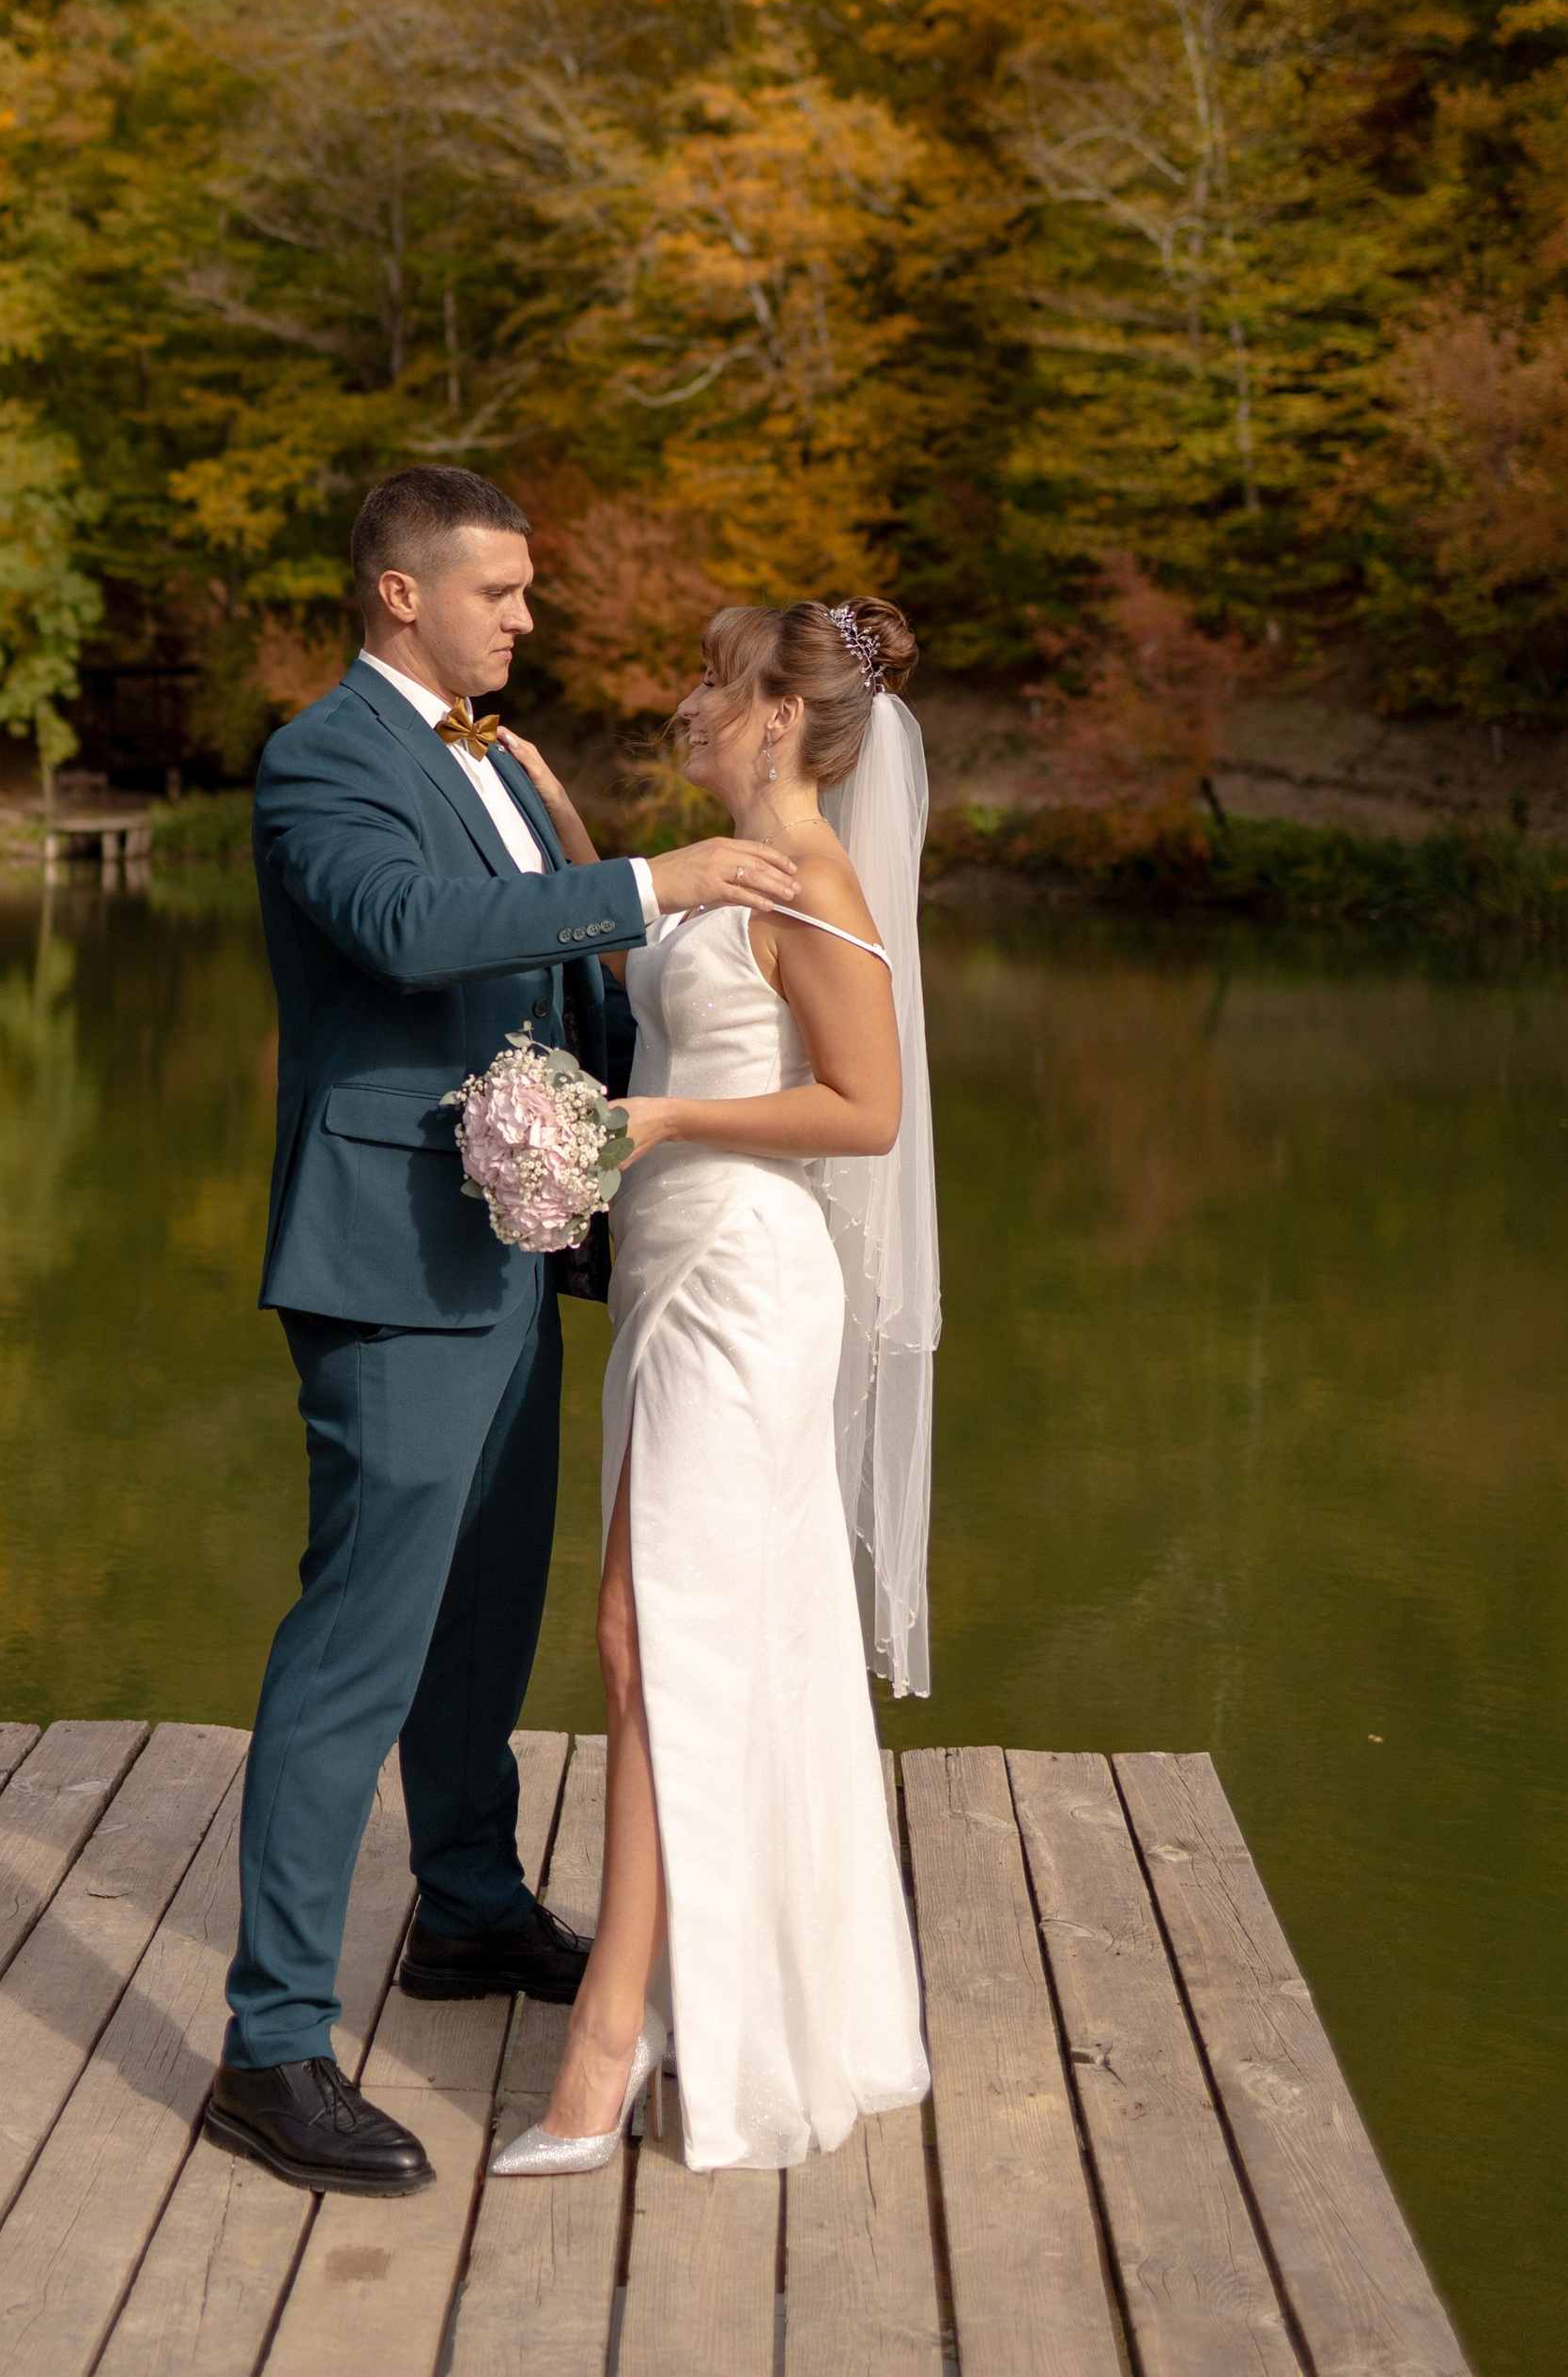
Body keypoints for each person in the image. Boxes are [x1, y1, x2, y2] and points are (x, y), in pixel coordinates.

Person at [205, 467, 807, 2199]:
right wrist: (644, 874)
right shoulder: (326, 758)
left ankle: (463, 1909)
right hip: (387, 1260)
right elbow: (405, 934)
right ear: (402, 596)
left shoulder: (496, 762)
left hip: (507, 1248)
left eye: (530, 593)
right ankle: (270, 2047)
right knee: (361, 1644)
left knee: (484, 1616)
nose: (528, 620)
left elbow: (556, 992)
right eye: (504, 594)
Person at [487, 595, 937, 2177]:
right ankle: (680, 1994)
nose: (687, 699)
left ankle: (612, 2036)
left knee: (641, 1632)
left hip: (745, 1287)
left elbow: (866, 1108)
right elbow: (681, 983)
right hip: (679, 1282)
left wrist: (659, 1131)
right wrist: (558, 828)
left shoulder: (817, 878)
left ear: (774, 717)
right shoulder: (733, 872)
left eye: (711, 679)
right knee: (655, 1634)